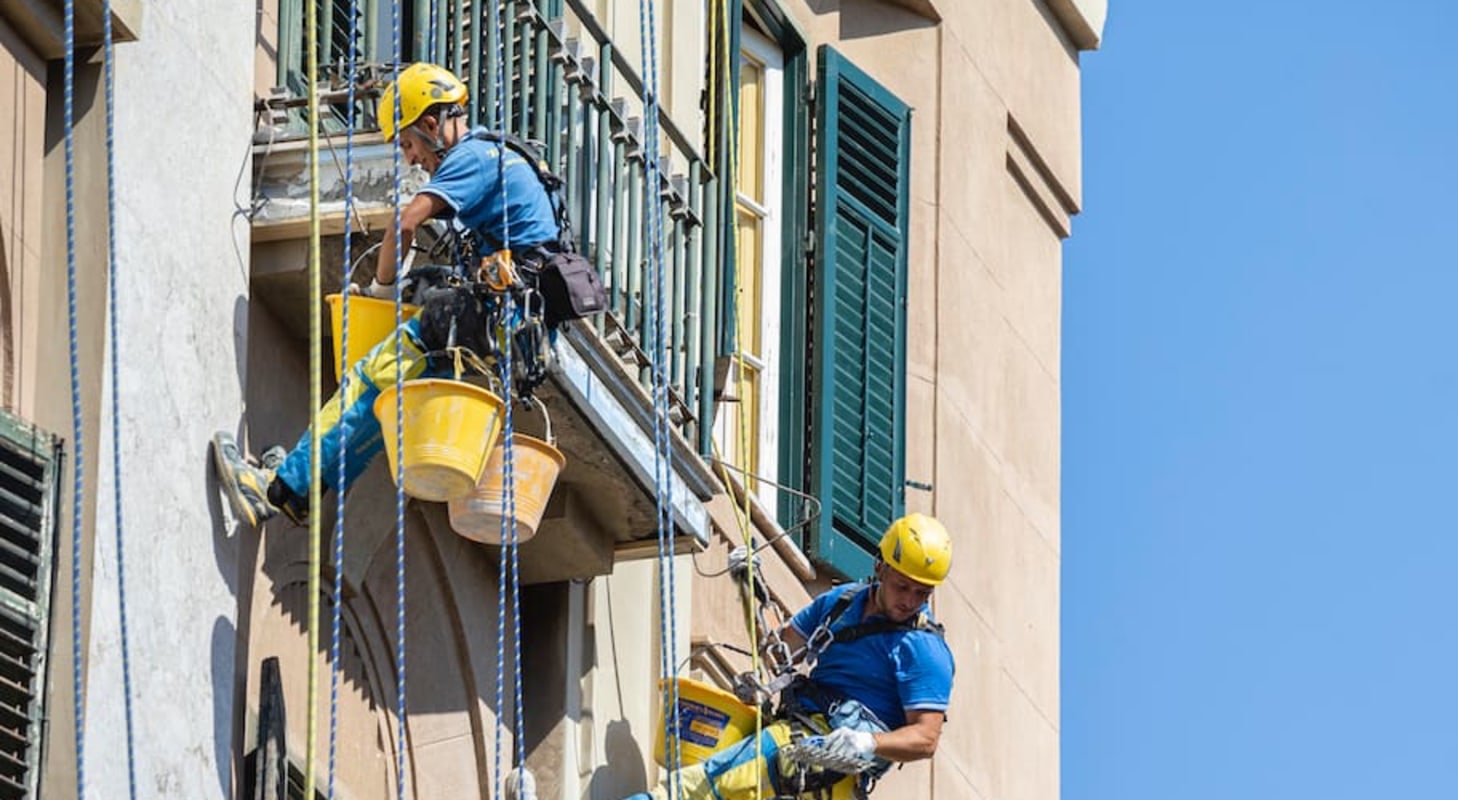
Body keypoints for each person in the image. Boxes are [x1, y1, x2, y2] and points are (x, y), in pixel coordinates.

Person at [213, 61, 565, 528]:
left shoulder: (473, 159)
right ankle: (302, 486)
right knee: (392, 393)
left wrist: (381, 292)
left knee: (371, 375)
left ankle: (278, 490)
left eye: (407, 143)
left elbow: (404, 222)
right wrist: (406, 288)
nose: (409, 158)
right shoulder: (500, 157)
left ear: (430, 124)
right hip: (515, 323)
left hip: (496, 313)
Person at [630, 513, 958, 800]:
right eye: (902, 586)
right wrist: (749, 587)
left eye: (922, 592)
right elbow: (778, 646)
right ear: (880, 568)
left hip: (818, 754)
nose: (910, 601)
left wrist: (867, 742)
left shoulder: (923, 648)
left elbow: (926, 737)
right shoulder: (840, 603)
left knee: (694, 787)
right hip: (801, 740)